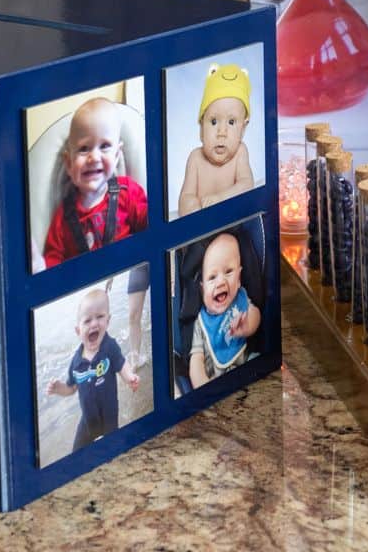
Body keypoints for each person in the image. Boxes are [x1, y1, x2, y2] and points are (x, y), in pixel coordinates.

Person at [40, 97, 150, 268]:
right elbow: (52, 261)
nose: (94, 157)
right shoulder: (63, 216)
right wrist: (40, 267)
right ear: (69, 164)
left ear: (116, 155)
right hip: (87, 289)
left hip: (128, 281)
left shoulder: (128, 192)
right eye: (84, 149)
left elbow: (151, 225)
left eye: (105, 146)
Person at [46, 286, 140, 452]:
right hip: (88, 421)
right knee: (77, 452)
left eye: (100, 317)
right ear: (78, 330)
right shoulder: (76, 362)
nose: (94, 323)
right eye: (87, 320)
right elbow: (72, 388)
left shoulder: (110, 347)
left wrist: (130, 377)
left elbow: (121, 365)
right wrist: (59, 388)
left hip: (109, 416)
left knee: (113, 450)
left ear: (108, 321)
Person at [176, 62, 257, 215]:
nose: (222, 132)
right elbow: (185, 198)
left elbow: (247, 185)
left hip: (233, 225)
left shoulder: (240, 153)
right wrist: (192, 205)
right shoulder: (195, 158)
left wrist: (221, 198)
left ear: (243, 130)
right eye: (213, 121)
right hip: (203, 230)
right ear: (201, 128)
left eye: (231, 122)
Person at [186, 230, 263, 388]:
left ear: (239, 279)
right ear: (202, 289)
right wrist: (204, 388)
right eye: (212, 277)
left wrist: (248, 325)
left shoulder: (240, 298)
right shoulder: (201, 324)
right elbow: (196, 361)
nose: (220, 281)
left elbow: (255, 313)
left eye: (228, 272)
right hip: (216, 381)